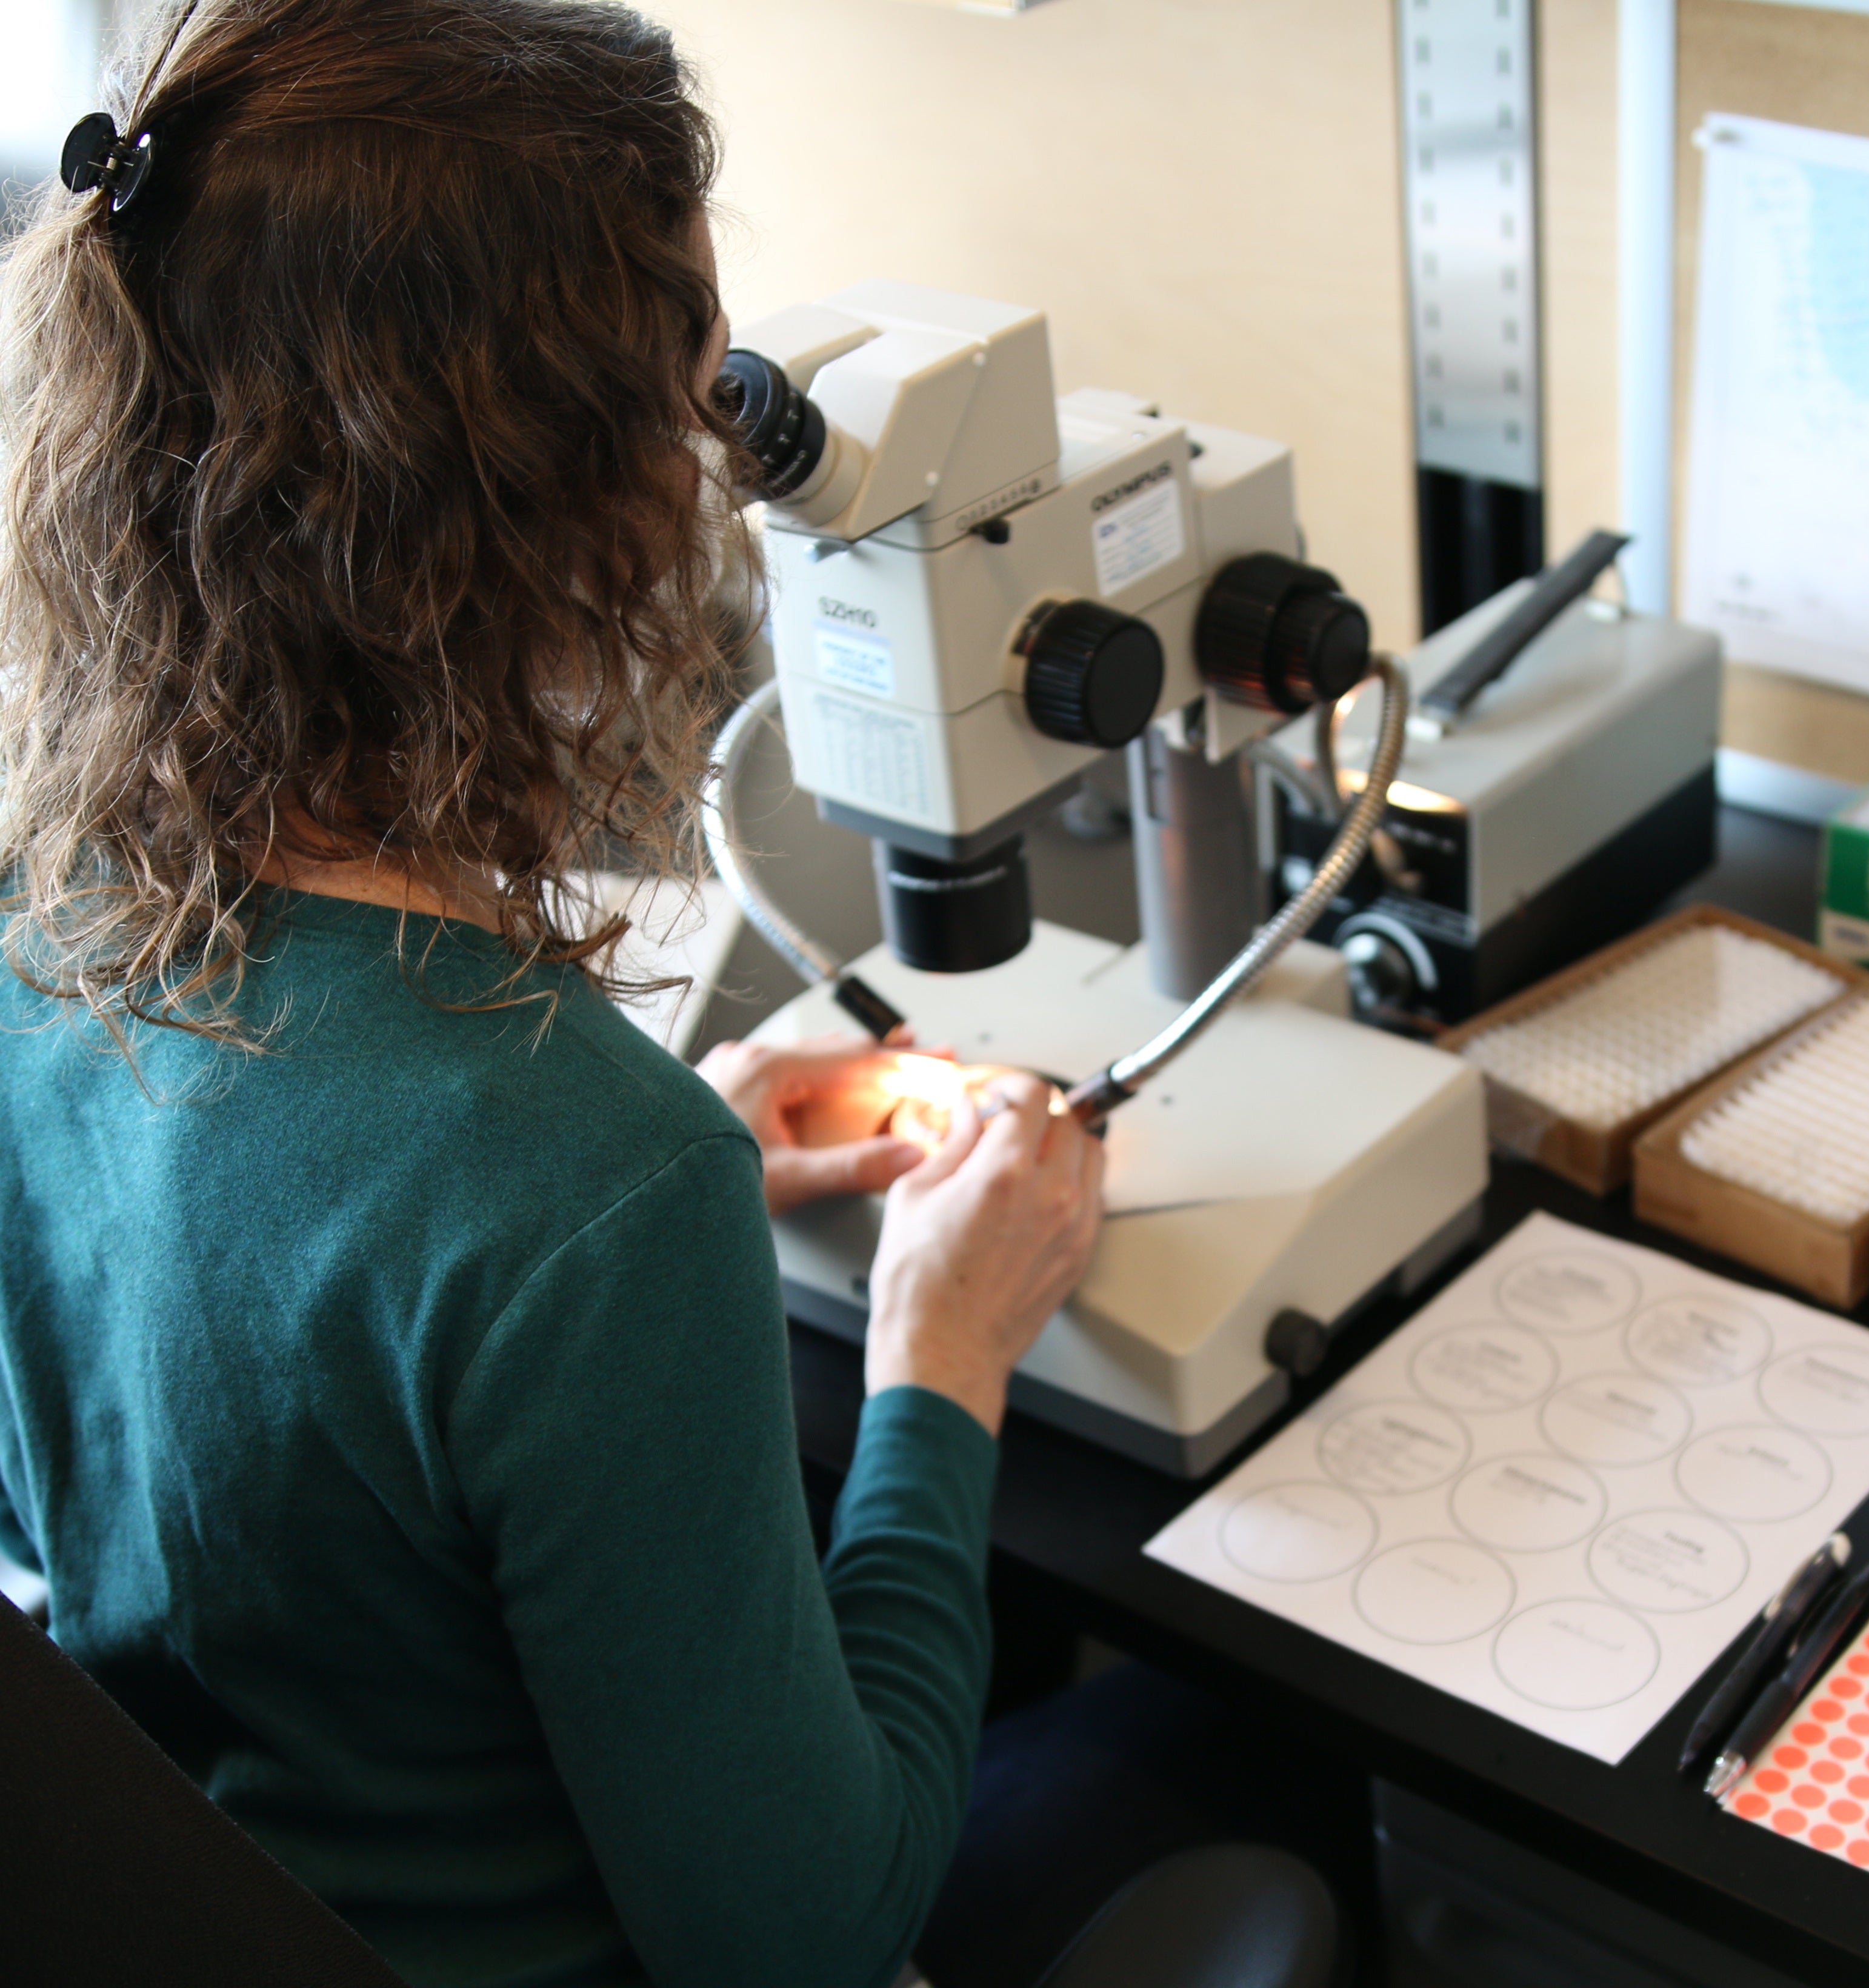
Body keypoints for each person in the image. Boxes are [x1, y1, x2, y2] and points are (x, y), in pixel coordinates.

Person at [0, 2, 1108, 1983]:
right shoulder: (590, 1187)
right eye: (696, 392)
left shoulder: (40, 912)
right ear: (565, 507)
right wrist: (946, 1354)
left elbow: (291, 1321)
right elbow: (809, 1937)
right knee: (1193, 1760)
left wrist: (603, 1222)